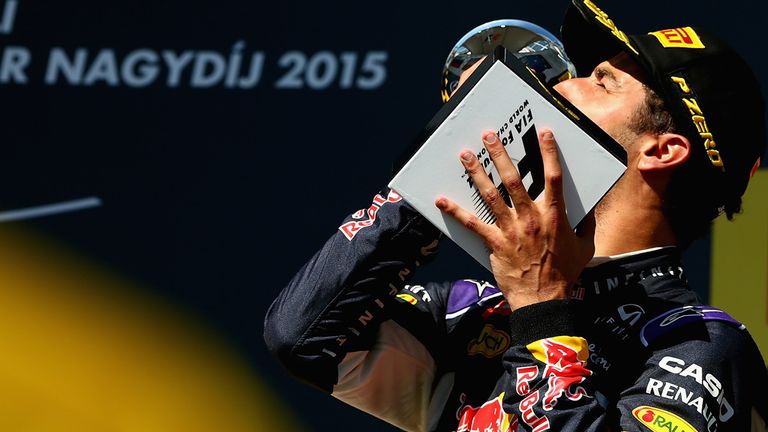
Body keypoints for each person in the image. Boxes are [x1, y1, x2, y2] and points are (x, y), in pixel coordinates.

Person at [264, 1, 768, 430]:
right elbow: (302, 337)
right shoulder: (476, 314)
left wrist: (543, 305)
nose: (563, 87)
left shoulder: (702, 346)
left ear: (663, 150)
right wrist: (441, 173)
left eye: (601, 81)